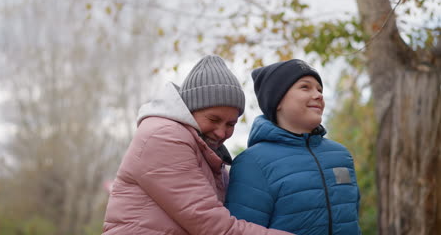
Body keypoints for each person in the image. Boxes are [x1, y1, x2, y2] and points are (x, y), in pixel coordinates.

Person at [102, 55, 293, 235]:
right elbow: (214, 226)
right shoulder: (165, 137)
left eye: (230, 124)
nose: (221, 132)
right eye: (213, 119)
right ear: (190, 110)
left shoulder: (205, 151)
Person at [225, 59, 361, 235]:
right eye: (305, 87)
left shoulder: (341, 155)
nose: (318, 95)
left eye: (319, 89)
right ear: (278, 101)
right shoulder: (252, 163)